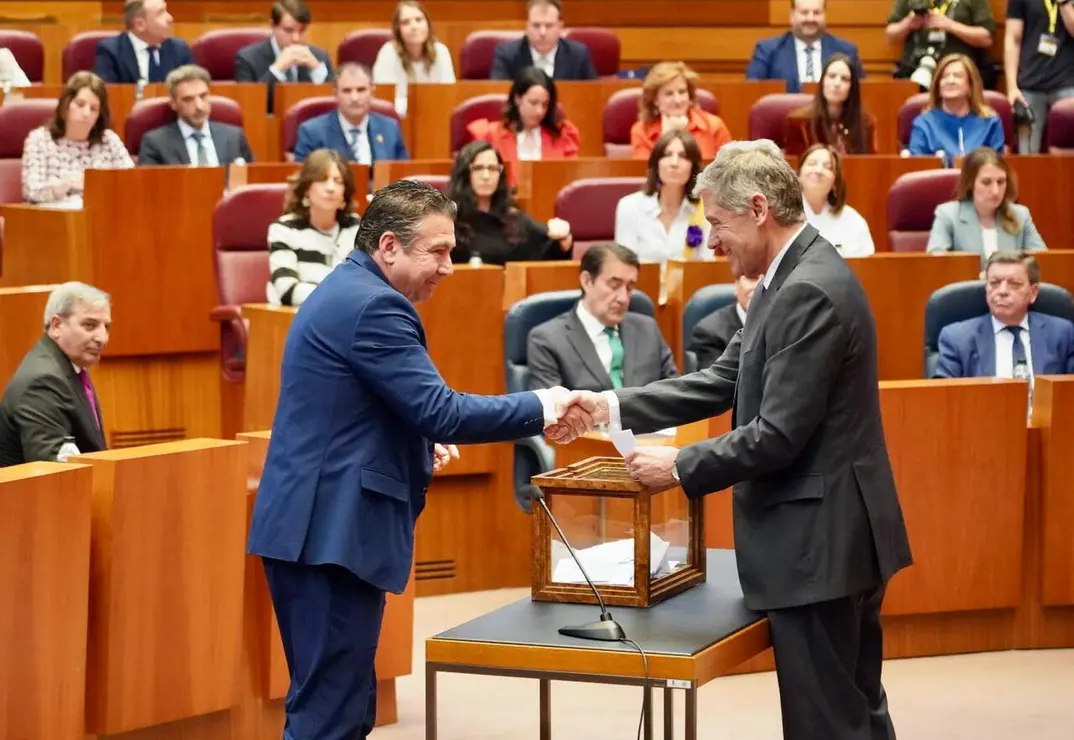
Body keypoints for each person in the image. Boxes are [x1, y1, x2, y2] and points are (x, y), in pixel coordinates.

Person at [549, 139, 913, 740]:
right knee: (853, 713)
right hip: (827, 538)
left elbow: (777, 435)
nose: (713, 241)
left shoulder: (807, 288)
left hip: (821, 543)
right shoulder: (786, 276)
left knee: (828, 722)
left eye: (718, 223)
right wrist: (607, 405)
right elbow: (722, 379)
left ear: (758, 209)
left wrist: (679, 466)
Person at [247, 179, 584, 740]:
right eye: (438, 251)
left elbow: (353, 409)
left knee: (345, 710)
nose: (449, 267)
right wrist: (544, 404)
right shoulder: (375, 305)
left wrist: (416, 439)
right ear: (389, 247)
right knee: (328, 717)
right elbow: (442, 410)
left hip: (321, 531)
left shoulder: (351, 289)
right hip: (326, 536)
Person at [527, 244, 678, 392]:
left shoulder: (648, 329)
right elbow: (554, 406)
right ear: (587, 281)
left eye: (630, 287)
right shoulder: (547, 340)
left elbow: (675, 393)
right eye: (614, 285)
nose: (624, 298)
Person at [0, 282, 110, 467]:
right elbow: (54, 473)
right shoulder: (43, 382)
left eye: (106, 327)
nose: (102, 338)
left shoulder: (67, 364)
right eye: (89, 325)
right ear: (57, 325)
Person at [935, 251, 1074, 378]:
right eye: (994, 283)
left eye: (1014, 284)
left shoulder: (1062, 334)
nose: (1002, 291)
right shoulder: (957, 339)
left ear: (1033, 293)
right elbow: (944, 394)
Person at [446, 141, 572, 264]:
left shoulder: (515, 219)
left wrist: (563, 238)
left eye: (492, 168)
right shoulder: (448, 219)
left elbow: (548, 247)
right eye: (478, 168)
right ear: (464, 174)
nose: (486, 176)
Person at [21, 72, 133, 205]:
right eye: (80, 105)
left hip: (101, 213)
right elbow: (31, 192)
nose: (86, 113)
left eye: (94, 109)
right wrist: (65, 185)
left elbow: (132, 183)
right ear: (66, 105)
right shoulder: (39, 140)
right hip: (56, 215)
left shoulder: (109, 141)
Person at [268, 149, 360, 306]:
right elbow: (287, 290)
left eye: (338, 181)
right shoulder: (284, 229)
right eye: (322, 180)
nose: (330, 188)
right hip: (298, 316)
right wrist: (339, 297)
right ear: (306, 189)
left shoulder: (355, 227)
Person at [926, 147, 1046, 267]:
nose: (995, 191)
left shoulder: (1020, 215)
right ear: (970, 183)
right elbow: (935, 266)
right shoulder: (948, 215)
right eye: (986, 182)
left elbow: (1042, 262)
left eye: (1001, 182)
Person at [466, 67, 580, 186]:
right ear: (517, 99)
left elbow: (571, 182)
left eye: (545, 105)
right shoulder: (490, 136)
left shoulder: (563, 136)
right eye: (533, 103)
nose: (539, 111)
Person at [615, 129, 713, 265]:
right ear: (657, 164)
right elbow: (624, 266)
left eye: (683, 156)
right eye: (667, 155)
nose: (674, 163)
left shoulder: (704, 210)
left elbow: (706, 265)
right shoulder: (630, 207)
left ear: (693, 167)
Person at [292, 63, 409, 164]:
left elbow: (404, 175)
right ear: (335, 94)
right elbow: (305, 179)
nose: (354, 98)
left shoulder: (390, 128)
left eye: (361, 90)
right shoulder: (312, 132)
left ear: (372, 92)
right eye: (347, 91)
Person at [138, 64, 254, 166]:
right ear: (173, 104)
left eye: (203, 96)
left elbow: (250, 179)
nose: (199, 106)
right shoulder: (156, 143)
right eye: (188, 99)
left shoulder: (234, 137)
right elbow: (149, 182)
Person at [235, 0, 334, 112]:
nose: (296, 38)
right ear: (273, 26)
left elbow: (335, 104)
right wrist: (277, 69)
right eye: (288, 30)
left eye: (302, 30)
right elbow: (250, 105)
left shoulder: (320, 57)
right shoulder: (248, 59)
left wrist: (316, 70)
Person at [746, 0, 864, 93]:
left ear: (824, 15)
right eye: (804, 13)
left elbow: (860, 95)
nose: (810, 18)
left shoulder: (846, 52)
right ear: (792, 16)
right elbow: (752, 93)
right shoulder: (767, 51)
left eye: (816, 13)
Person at [907, 53, 1004, 164]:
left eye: (958, 76)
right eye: (944, 76)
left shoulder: (990, 122)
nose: (950, 81)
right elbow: (917, 167)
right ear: (938, 86)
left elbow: (997, 167)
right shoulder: (924, 124)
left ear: (971, 85)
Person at [1005, 0, 1074, 154]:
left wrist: (1064, 4)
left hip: (1069, 82)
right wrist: (1012, 87)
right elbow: (1013, 39)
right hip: (1029, 84)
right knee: (1027, 154)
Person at [629, 62, 732, 161]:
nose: (678, 100)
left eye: (682, 92)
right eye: (669, 94)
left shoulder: (715, 126)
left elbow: (730, 169)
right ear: (655, 99)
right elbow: (644, 170)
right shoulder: (641, 131)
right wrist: (667, 136)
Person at [784, 53, 877, 156]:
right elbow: (793, 164)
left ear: (852, 88)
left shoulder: (864, 123)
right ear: (822, 82)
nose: (837, 83)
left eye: (844, 79)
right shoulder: (799, 123)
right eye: (832, 76)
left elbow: (868, 163)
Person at [885, 0, 995, 88]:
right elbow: (890, 36)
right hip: (914, 71)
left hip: (957, 74)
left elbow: (986, 39)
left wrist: (951, 26)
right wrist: (908, 24)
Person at [798, 144, 875, 257]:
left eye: (828, 167)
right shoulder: (782, 216)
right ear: (798, 174)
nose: (819, 170)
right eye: (812, 163)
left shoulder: (853, 221)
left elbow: (867, 263)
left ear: (835, 182)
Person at [490, 0, 597, 81]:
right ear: (527, 27)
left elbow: (593, 94)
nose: (542, 33)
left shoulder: (578, 55)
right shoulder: (506, 55)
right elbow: (499, 95)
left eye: (549, 26)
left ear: (560, 27)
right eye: (536, 25)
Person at [94, 0, 192, 84]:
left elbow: (194, 86)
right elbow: (108, 93)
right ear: (139, 24)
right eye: (161, 13)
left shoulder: (180, 49)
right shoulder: (110, 51)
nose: (170, 18)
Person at [371, 1, 456, 84]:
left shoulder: (441, 51)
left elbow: (448, 90)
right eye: (406, 22)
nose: (414, 27)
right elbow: (383, 91)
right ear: (398, 29)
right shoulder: (388, 53)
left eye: (419, 20)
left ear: (428, 25)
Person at [689, 275, 760, 369]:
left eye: (766, 278)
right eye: (753, 278)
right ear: (737, 285)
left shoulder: (778, 324)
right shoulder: (710, 333)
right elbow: (716, 377)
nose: (759, 286)